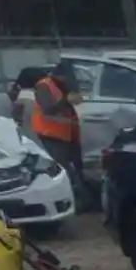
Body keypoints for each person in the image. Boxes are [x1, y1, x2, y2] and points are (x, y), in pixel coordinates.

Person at [30, 62, 91, 210]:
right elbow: (48, 109)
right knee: (64, 170)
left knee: (77, 167)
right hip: (51, 134)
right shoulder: (44, 86)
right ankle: (72, 201)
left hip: (69, 133)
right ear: (59, 75)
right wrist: (66, 100)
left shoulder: (66, 85)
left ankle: (83, 199)